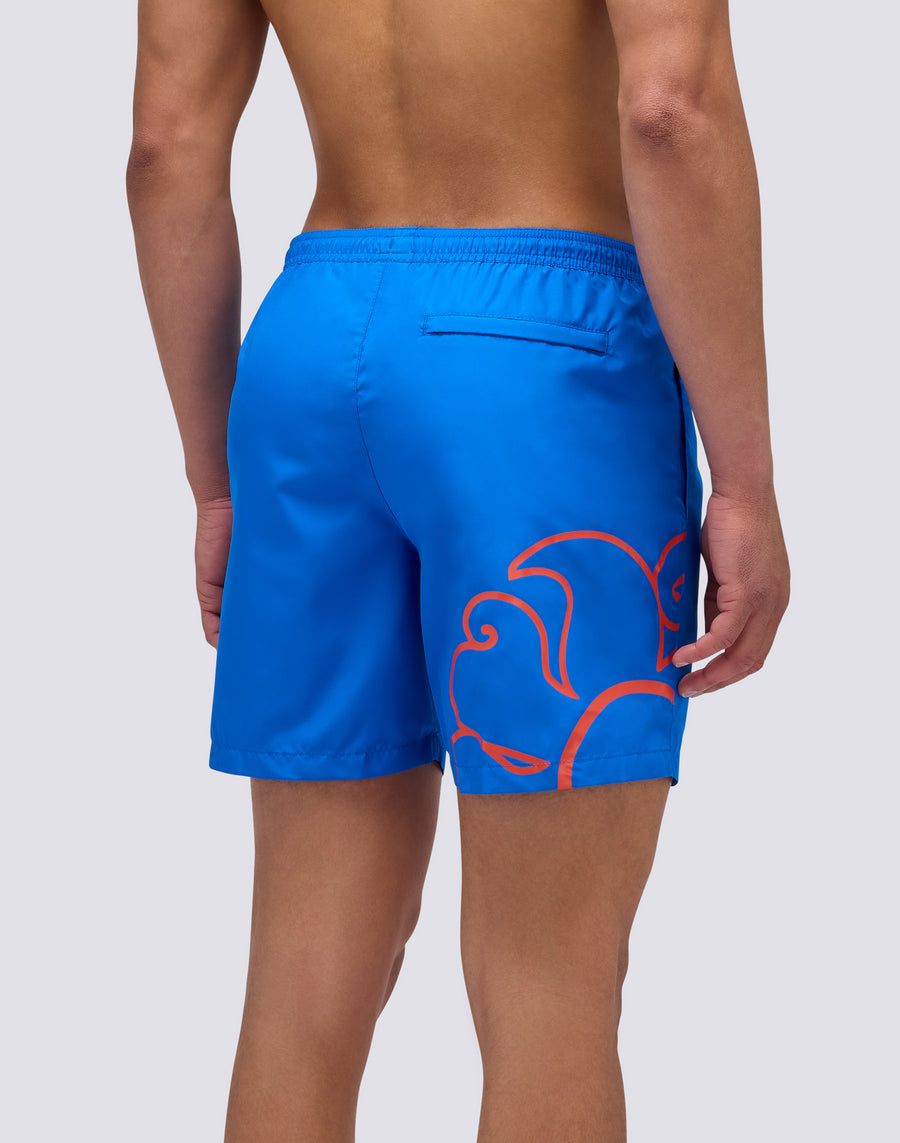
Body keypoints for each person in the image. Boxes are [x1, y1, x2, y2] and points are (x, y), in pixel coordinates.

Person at [126, 0, 790, 1138]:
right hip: (543, 368)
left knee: (303, 989)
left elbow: (165, 148)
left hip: (310, 354)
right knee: (549, 995)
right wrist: (743, 480)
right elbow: (669, 110)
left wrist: (216, 480)